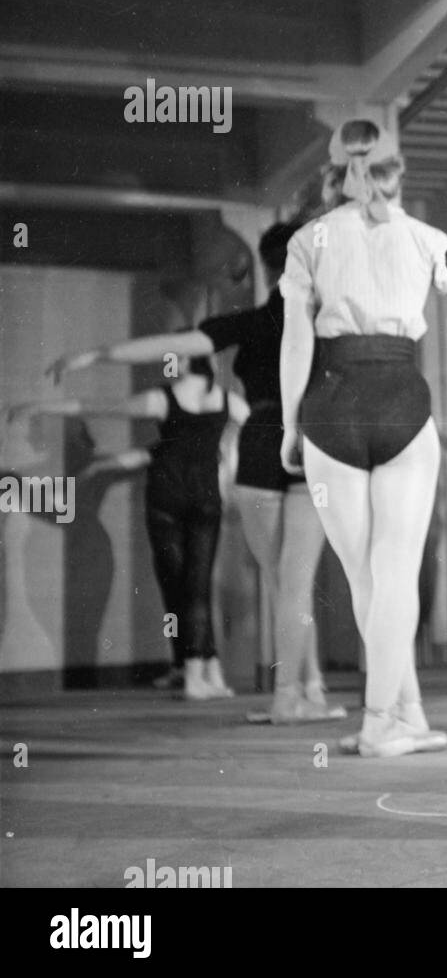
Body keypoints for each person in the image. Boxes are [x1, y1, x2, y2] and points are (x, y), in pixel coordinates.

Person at [48, 222, 342, 723]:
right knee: (295, 581)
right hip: (310, 445)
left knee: (281, 581)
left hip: (262, 450)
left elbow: (175, 343)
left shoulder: (252, 323)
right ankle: (307, 688)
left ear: (268, 268)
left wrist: (96, 354)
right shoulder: (327, 320)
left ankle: (301, 690)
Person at [279, 119, 447, 759]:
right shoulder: (429, 239)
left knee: (365, 582)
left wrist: (289, 424)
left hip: (331, 402)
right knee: (395, 575)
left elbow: (296, 340)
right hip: (401, 399)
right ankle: (385, 719)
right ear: (397, 169)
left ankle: (405, 711)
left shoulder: (309, 238)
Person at [11, 356, 247, 699]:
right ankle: (194, 667)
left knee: (184, 584)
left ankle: (197, 670)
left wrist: (40, 406)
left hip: (170, 498)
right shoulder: (227, 402)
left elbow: (102, 407)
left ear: (182, 362)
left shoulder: (165, 400)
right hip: (200, 498)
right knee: (188, 584)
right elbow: (255, 431)